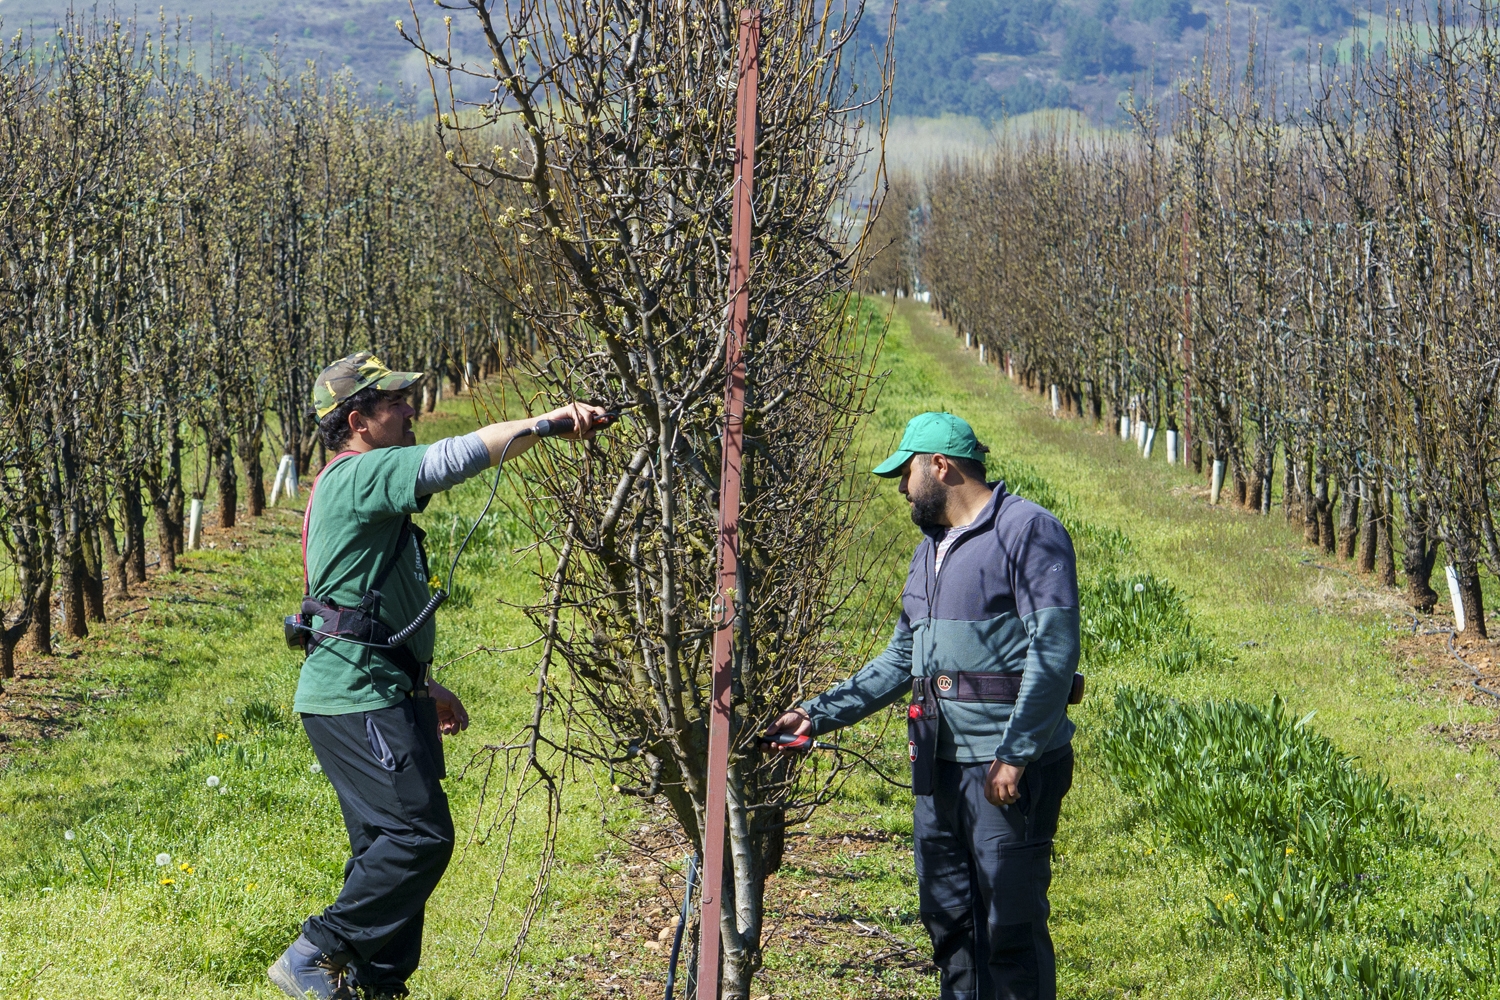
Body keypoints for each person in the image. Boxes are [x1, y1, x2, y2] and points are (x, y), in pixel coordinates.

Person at [268, 351, 606, 1000]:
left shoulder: (355, 483)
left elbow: (365, 610)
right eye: (393, 402)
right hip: (356, 695)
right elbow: (454, 458)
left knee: (384, 851)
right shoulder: (360, 474)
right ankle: (316, 952)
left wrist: (422, 685)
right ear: (358, 419)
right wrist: (551, 422)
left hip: (378, 687)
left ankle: (377, 986)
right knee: (417, 837)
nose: (408, 410)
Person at [766, 412, 1081, 1000]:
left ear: (941, 466)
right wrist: (817, 712)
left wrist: (1014, 755)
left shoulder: (1028, 532)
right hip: (937, 769)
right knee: (950, 926)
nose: (900, 488)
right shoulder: (928, 553)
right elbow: (898, 660)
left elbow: (1054, 653)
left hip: (1004, 772)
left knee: (1008, 932)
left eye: (905, 473)